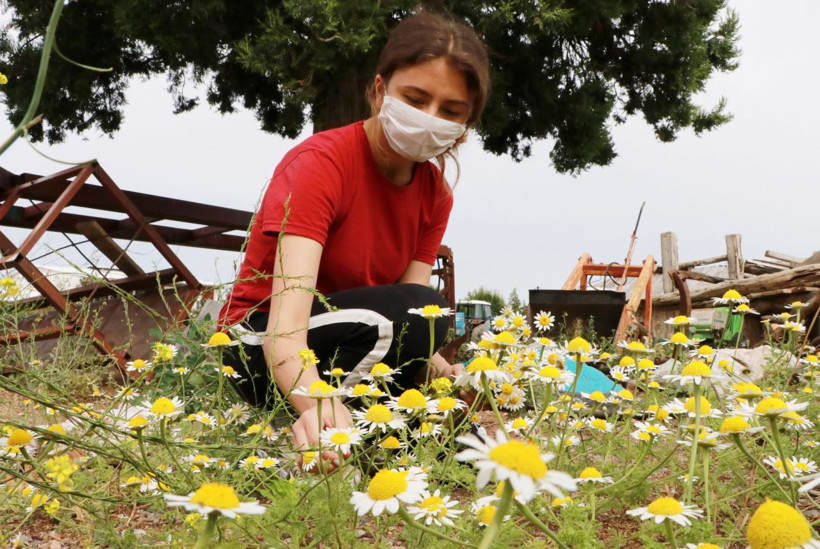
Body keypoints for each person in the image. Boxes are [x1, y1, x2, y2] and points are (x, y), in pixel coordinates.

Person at [217, 10, 491, 468]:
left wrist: (448, 377)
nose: (429, 118)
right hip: (261, 345)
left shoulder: (435, 195)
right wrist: (316, 402)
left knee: (470, 455)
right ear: (380, 90)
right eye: (415, 99)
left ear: (465, 124)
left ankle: (369, 443)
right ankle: (308, 435)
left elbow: (411, 328)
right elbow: (285, 331)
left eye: (449, 111)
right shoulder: (321, 165)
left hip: (355, 341)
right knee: (421, 312)